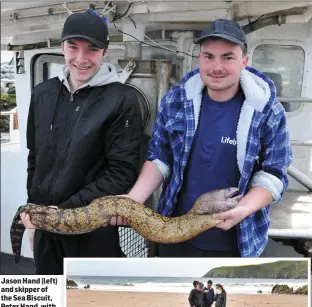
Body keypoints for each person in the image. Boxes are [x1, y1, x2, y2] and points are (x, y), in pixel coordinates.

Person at [111, 19, 292, 258]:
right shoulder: (175, 101)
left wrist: (243, 209)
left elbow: (273, 174)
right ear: (199, 58)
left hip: (237, 241)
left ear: (244, 62)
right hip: (174, 234)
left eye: (227, 57)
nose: (217, 66)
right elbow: (159, 158)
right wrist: (132, 201)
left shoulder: (268, 111)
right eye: (209, 56)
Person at [20, 10, 142, 274]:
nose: (81, 58)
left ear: (105, 51)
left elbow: (122, 172)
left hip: (91, 230)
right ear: (62, 46)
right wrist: (34, 216)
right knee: (49, 305)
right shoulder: (43, 93)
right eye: (73, 47)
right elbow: (34, 158)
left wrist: (64, 210)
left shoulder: (122, 99)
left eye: (92, 49)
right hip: (46, 227)